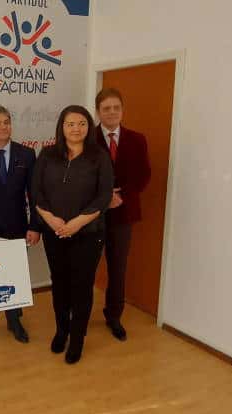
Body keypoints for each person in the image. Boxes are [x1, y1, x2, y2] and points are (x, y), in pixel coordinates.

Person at [34, 105, 114, 364]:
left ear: (88, 127)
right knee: (59, 284)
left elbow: (104, 196)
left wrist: (78, 222)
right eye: (70, 124)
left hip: (88, 233)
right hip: (55, 232)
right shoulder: (47, 155)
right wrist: (51, 220)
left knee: (82, 287)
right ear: (62, 127)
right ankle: (62, 331)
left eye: (81, 123)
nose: (76, 128)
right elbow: (36, 192)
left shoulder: (99, 157)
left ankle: (77, 338)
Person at [0, 106, 42, 350]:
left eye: (6, 122)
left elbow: (34, 194)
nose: (3, 127)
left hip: (17, 227)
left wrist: (35, 226)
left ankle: (14, 320)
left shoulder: (26, 154)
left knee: (14, 276)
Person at [95, 88, 151, 341]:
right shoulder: (88, 139)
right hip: (92, 216)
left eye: (116, 107)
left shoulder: (137, 140)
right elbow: (81, 176)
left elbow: (143, 175)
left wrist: (120, 197)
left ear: (122, 110)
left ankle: (114, 316)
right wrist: (104, 197)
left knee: (118, 270)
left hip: (123, 215)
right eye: (106, 108)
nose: (112, 112)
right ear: (98, 112)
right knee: (86, 269)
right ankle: (80, 315)